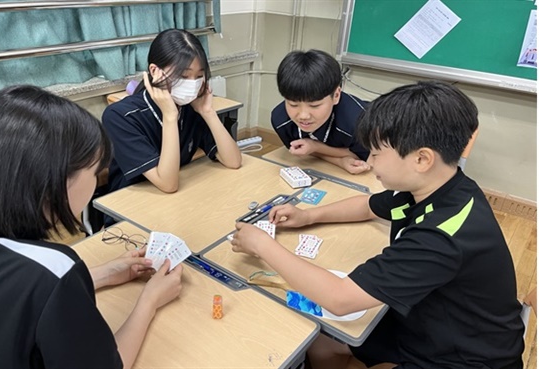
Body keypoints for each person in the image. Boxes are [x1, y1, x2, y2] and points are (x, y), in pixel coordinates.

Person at [232, 81, 524, 368]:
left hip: (462, 357)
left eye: (376, 153)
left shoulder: (441, 236)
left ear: (422, 159)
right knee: (321, 341)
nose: (370, 162)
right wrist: (308, 216)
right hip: (424, 320)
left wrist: (262, 244)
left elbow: (340, 299)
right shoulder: (440, 184)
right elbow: (368, 205)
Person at [0, 85, 183, 369]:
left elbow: (0, 299)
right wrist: (149, 301)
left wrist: (100, 275)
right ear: (55, 181)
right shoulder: (56, 269)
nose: (96, 181)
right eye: (95, 172)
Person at [102, 28, 242, 197]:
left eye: (199, 76)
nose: (193, 84)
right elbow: (168, 184)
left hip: (178, 200)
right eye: (183, 76)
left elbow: (233, 161)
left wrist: (208, 112)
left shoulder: (191, 107)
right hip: (130, 205)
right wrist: (169, 116)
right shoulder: (120, 116)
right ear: (155, 71)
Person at [271, 49, 370, 175]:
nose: (303, 116)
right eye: (293, 104)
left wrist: (315, 146)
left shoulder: (359, 121)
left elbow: (366, 156)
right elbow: (305, 151)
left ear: (336, 95)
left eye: (314, 105)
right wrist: (341, 162)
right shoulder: (281, 120)